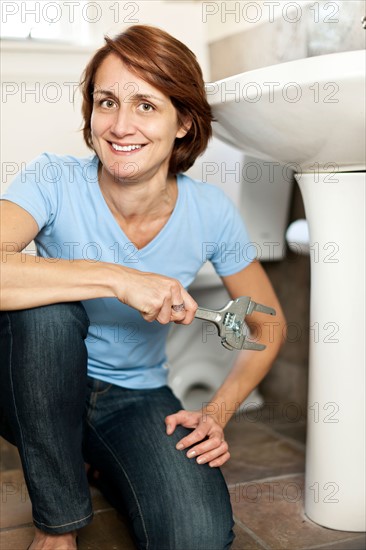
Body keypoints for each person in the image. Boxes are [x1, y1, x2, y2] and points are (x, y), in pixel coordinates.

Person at [0, 25, 286, 550]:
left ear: (184, 123)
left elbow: (266, 322)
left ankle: (98, 456)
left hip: (133, 397)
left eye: (146, 106)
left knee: (196, 537)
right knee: (45, 313)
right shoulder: (52, 180)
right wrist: (119, 277)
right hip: (31, 388)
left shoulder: (210, 212)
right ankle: (58, 524)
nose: (120, 124)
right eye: (106, 102)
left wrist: (217, 411)